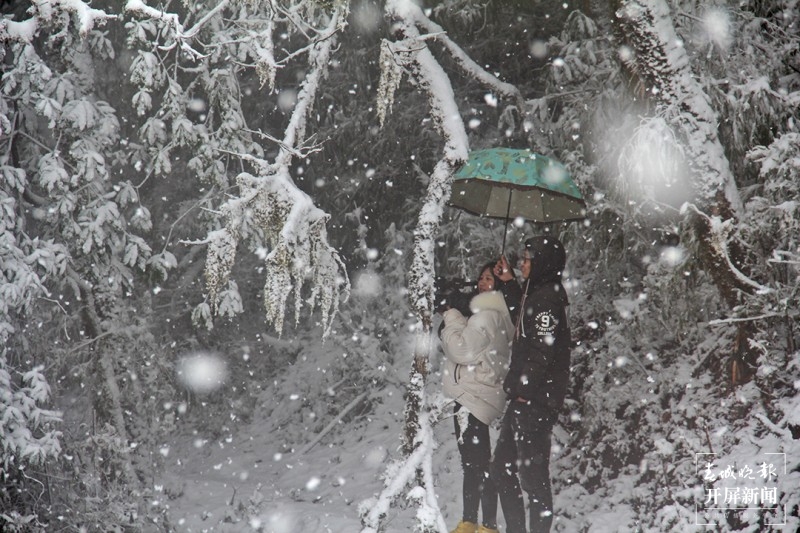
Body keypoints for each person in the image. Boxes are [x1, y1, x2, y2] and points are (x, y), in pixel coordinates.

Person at [490, 236, 572, 533]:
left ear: (542, 263)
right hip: (526, 397)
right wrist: (509, 282)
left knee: (532, 476)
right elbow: (523, 317)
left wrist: (524, 390)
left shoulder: (548, 298)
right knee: (502, 468)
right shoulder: (535, 292)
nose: (522, 263)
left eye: (527, 259)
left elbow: (542, 350)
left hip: (537, 399)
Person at [439, 262, 515, 533]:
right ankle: (472, 522)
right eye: (481, 278)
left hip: (474, 396)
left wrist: (450, 315)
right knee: (473, 464)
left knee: (477, 465)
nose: (482, 283)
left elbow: (461, 351)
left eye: (489, 279)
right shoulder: (494, 312)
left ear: (500, 285)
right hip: (476, 394)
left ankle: (484, 526)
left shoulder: (486, 315)